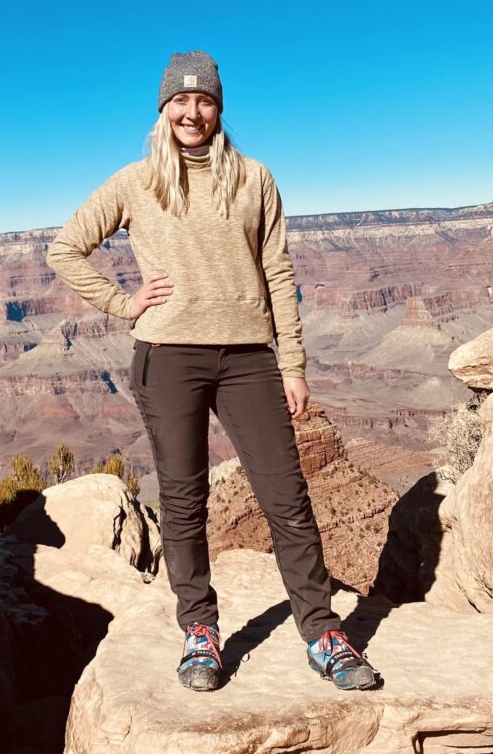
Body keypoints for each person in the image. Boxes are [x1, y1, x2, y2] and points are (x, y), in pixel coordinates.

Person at [46, 51, 377, 692]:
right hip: (169, 356)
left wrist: (293, 364)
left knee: (287, 497)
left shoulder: (254, 179)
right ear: (163, 109)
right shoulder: (134, 181)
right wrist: (123, 301)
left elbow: (279, 273)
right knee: (182, 497)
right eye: (180, 101)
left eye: (205, 102)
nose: (192, 113)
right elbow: (65, 249)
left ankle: (322, 631)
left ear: (219, 110)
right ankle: (200, 630)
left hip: (250, 357)